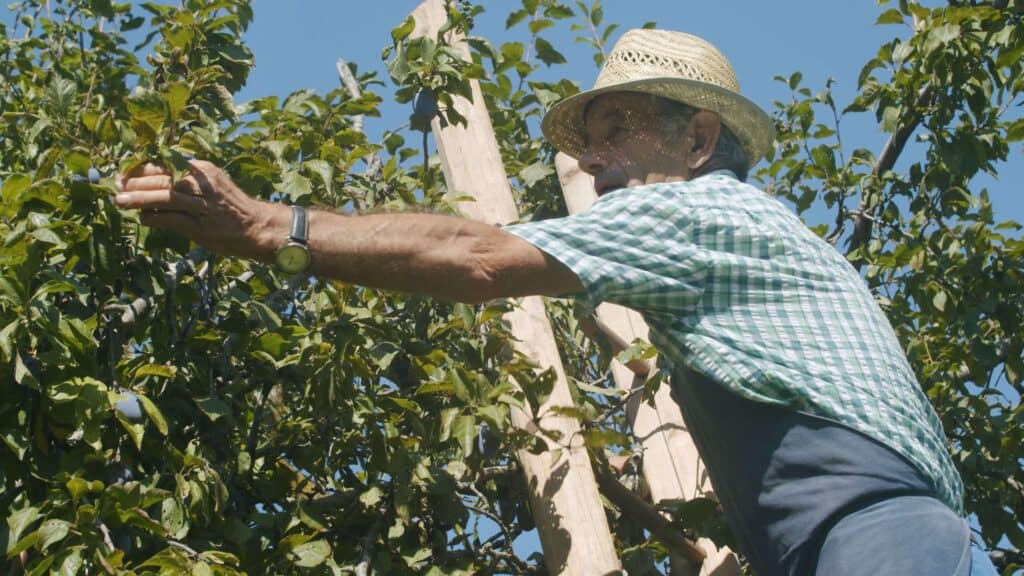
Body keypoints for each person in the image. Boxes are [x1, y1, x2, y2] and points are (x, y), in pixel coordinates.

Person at [117, 28, 995, 576]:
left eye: (621, 126)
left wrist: (275, 225)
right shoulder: (751, 236)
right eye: (594, 131)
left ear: (697, 139)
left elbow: (477, 255)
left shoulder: (700, 208)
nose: (595, 156)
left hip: (874, 542)